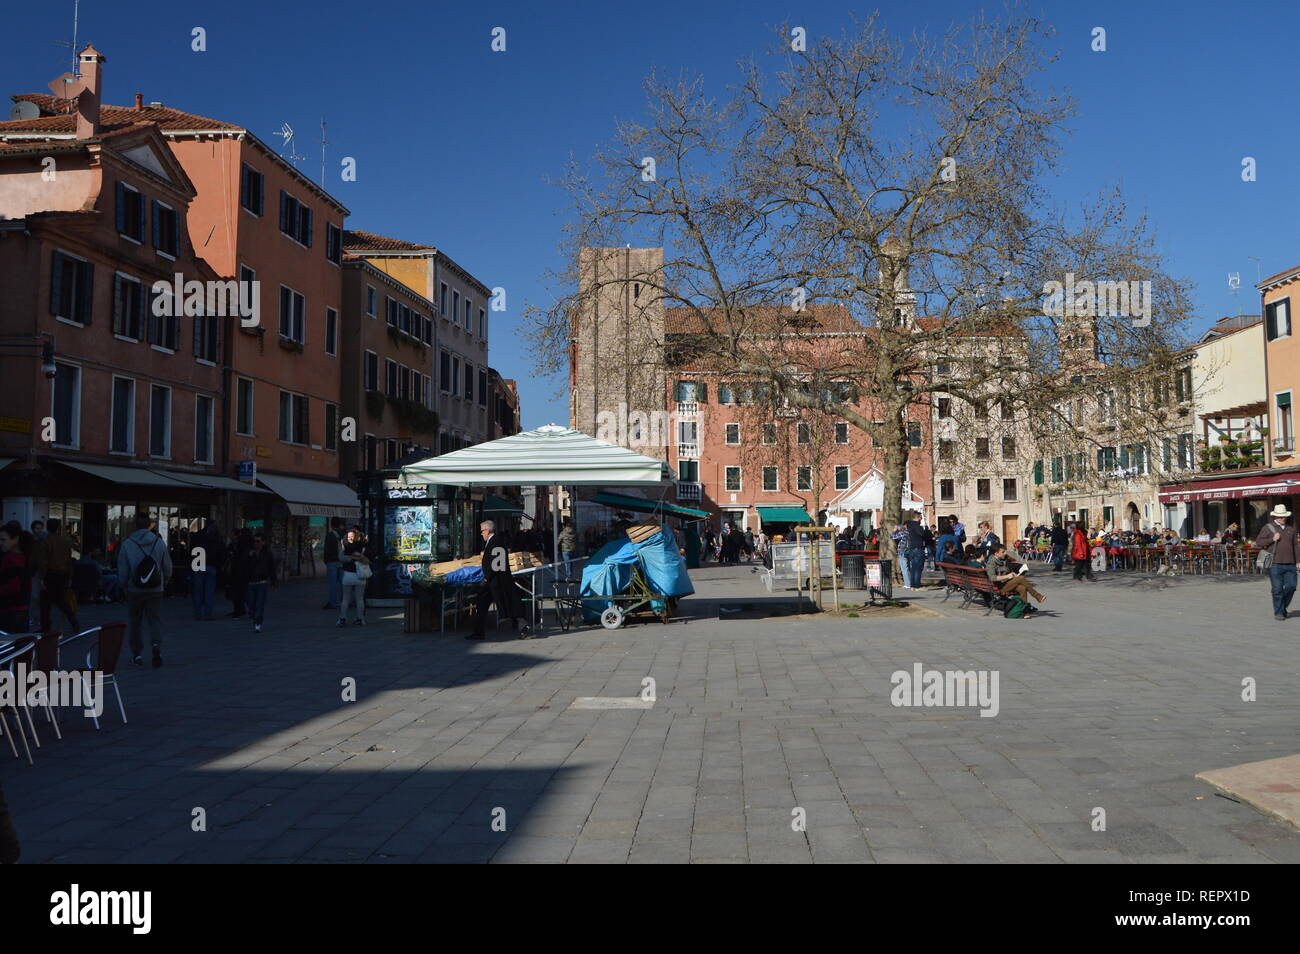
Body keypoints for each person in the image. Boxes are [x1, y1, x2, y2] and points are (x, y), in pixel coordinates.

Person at [117, 512, 172, 668]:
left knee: (135, 621)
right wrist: (165, 581)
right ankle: (156, 645)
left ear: (135, 525)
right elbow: (167, 566)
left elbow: (123, 569)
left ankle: (137, 654)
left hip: (135, 589)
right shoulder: (159, 543)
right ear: (150, 525)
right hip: (155, 588)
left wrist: (123, 585)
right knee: (155, 619)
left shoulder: (127, 544)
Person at [467, 520, 530, 640]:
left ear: (488, 530)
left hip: (496, 582)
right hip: (494, 581)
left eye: (482, 531)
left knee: (508, 604)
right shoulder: (495, 541)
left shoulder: (496, 542)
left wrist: (486, 578)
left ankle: (522, 626)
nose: (481, 534)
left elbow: (496, 565)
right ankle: (478, 632)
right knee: (484, 605)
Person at [35, 517, 80, 634]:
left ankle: (46, 626)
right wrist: (70, 576)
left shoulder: (46, 542)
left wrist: (42, 577)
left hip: (50, 574)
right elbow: (69, 560)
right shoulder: (65, 541)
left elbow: (43, 561)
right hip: (62, 574)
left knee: (45, 602)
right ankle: (72, 620)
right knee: (61, 600)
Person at [1255, 504, 1297, 621]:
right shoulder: (1268, 528)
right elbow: (1258, 542)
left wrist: (1298, 560)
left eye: (1284, 516)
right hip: (1275, 564)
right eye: (1280, 516)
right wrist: (1272, 539)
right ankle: (1279, 612)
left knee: (1291, 586)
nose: (1283, 518)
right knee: (1277, 589)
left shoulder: (1291, 529)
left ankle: (1282, 607)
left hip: (1291, 564)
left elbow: (1295, 546)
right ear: (1276, 516)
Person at [191, 520, 226, 621]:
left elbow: (192, 550)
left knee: (198, 591)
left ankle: (198, 613)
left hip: (198, 565)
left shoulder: (198, 536)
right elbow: (222, 553)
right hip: (211, 566)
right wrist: (220, 564)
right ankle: (207, 613)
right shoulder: (217, 538)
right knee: (209, 592)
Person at [0, 521, 30, 633]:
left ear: (15, 539)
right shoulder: (23, 556)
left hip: (10, 608)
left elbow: (13, 585)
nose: (1, 543)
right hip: (20, 607)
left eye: (3, 540)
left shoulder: (11, 558)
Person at [246, 533, 277, 634]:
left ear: (263, 542)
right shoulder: (250, 553)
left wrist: (273, 581)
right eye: (254, 541)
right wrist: (250, 557)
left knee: (260, 604)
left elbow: (272, 568)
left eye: (258, 541)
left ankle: (258, 624)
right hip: (251, 582)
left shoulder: (267, 554)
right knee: (251, 604)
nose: (256, 543)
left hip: (262, 582)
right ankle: (254, 615)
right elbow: (244, 567)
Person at [337, 529, 369, 627]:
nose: (350, 537)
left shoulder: (345, 547)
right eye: (349, 536)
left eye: (351, 536)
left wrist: (349, 558)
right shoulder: (362, 547)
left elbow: (340, 558)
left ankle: (342, 618)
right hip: (360, 576)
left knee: (345, 599)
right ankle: (360, 619)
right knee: (359, 599)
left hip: (348, 575)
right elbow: (367, 560)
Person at [226, 529, 252, 617]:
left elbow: (237, 557)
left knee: (240, 593)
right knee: (243, 592)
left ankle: (241, 610)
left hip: (239, 571)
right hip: (243, 572)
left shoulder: (239, 544)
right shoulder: (246, 544)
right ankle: (244, 610)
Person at [904, 513, 932, 589]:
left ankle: (913, 584)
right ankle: (917, 585)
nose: (921, 519)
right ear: (917, 517)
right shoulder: (916, 525)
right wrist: (926, 530)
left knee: (913, 568)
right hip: (918, 548)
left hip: (912, 548)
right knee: (918, 568)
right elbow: (922, 534)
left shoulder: (910, 526)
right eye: (920, 518)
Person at [322, 517, 343, 611]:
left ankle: (332, 602)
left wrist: (326, 560)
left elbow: (326, 549)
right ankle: (343, 601)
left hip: (332, 561)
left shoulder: (330, 535)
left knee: (332, 583)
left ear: (331, 524)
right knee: (342, 583)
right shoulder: (344, 534)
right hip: (342, 561)